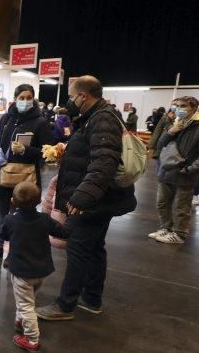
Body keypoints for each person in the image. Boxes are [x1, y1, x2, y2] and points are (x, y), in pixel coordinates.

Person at [36, 75, 137, 321]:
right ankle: (91, 298)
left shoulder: (102, 119)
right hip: (101, 200)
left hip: (93, 202)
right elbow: (93, 156)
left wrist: (81, 199)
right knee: (93, 248)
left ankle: (65, 305)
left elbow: (104, 164)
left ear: (84, 95)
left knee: (79, 249)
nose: (70, 101)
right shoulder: (96, 117)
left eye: (72, 96)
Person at [0, 84, 52, 260]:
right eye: (22, 98)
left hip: (26, 177)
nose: (25, 101)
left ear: (34, 99)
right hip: (3, 174)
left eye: (29, 98)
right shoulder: (7, 119)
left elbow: (46, 152)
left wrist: (25, 150)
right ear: (15, 99)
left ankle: (14, 252)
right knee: (1, 213)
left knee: (22, 216)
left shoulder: (40, 122)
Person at [1, 181, 69, 353]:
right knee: (27, 300)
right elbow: (62, 232)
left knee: (26, 305)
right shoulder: (44, 220)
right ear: (39, 200)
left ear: (13, 201)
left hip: (22, 272)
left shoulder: (11, 220)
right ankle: (20, 321)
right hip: (41, 270)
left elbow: (3, 234)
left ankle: (32, 340)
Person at [150, 96, 199, 244]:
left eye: (183, 106)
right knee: (162, 202)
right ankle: (166, 227)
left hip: (185, 173)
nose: (178, 109)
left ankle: (179, 234)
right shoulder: (174, 123)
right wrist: (171, 131)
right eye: (176, 105)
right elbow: (160, 144)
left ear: (193, 107)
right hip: (166, 170)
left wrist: (191, 168)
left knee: (181, 206)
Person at [148, 100, 178, 169]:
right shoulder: (165, 116)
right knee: (159, 166)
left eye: (176, 105)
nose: (174, 106)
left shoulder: (179, 118)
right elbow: (157, 131)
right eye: (172, 104)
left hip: (172, 146)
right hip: (161, 143)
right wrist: (152, 144)